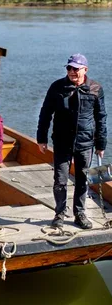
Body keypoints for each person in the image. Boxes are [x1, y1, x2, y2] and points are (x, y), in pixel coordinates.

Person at [37, 54, 107, 229]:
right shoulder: (57, 87)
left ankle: (79, 213)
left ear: (85, 70)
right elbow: (45, 113)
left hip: (85, 143)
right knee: (60, 180)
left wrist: (101, 144)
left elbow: (101, 118)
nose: (72, 72)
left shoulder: (96, 88)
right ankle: (59, 213)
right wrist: (41, 138)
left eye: (76, 68)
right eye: (69, 68)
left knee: (83, 179)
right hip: (62, 141)